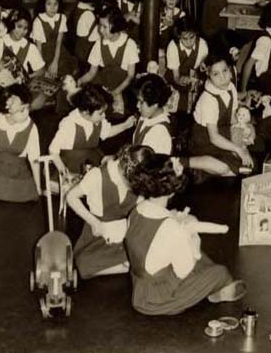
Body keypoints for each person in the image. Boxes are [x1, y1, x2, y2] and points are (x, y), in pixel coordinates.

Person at [123, 151, 247, 315]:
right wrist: (191, 236)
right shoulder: (172, 228)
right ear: (172, 191)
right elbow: (183, 270)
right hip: (158, 298)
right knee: (219, 272)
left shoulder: (136, 211)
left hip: (140, 287)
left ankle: (215, 287)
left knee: (193, 256)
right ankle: (216, 290)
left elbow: (151, 234)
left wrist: (175, 221)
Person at [68, 144, 144, 279]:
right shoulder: (97, 176)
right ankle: (129, 265)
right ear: (126, 173)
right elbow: (71, 197)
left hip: (125, 231)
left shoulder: (137, 179)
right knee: (84, 264)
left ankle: (128, 264)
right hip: (99, 234)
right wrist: (94, 222)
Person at [190, 51, 254, 176]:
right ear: (208, 75)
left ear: (230, 71)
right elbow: (214, 137)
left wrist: (242, 145)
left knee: (249, 162)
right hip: (205, 139)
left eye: (225, 71)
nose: (222, 77)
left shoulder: (231, 88)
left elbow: (233, 120)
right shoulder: (208, 99)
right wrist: (237, 149)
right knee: (225, 168)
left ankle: (216, 167)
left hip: (222, 131)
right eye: (216, 74)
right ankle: (193, 165)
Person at [49, 84, 135, 177]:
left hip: (89, 163)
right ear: (86, 112)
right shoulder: (69, 124)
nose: (104, 116)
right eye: (100, 113)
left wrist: (125, 125)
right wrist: (64, 171)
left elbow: (107, 132)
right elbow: (53, 150)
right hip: (70, 167)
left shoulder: (97, 120)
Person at [77, 4, 139, 113]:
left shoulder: (129, 44)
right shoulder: (99, 44)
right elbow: (92, 73)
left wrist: (116, 92)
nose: (101, 30)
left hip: (123, 85)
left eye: (104, 26)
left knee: (121, 109)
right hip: (105, 82)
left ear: (116, 25)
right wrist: (79, 81)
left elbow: (130, 76)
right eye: (100, 26)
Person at [165, 17, 208, 113]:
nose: (189, 42)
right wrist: (181, 80)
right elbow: (176, 77)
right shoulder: (173, 46)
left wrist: (203, 68)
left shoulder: (202, 45)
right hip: (174, 81)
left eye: (192, 37)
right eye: (185, 38)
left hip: (193, 82)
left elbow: (201, 71)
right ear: (179, 36)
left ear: (196, 34)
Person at [31, 0, 75, 78]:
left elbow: (59, 42)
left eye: (56, 4)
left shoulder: (62, 17)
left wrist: (55, 62)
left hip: (59, 53)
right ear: (43, 5)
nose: (53, 8)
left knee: (67, 75)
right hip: (44, 56)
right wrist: (43, 69)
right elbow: (38, 49)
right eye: (49, 4)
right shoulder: (38, 21)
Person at [130, 74, 174, 153]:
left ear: (154, 104)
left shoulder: (159, 133)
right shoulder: (146, 116)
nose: (137, 105)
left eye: (141, 102)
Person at [69, 0, 102, 69]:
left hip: (79, 49)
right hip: (87, 51)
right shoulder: (88, 14)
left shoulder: (79, 8)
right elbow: (95, 37)